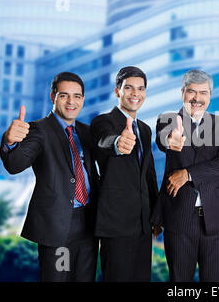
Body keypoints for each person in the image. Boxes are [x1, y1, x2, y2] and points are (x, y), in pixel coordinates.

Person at [0, 72, 99, 282]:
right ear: (53, 97)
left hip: (88, 224)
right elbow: (15, 164)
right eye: (64, 95)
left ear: (83, 99)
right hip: (58, 227)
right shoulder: (39, 130)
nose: (71, 101)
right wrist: (9, 142)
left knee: (84, 278)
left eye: (77, 96)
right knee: (58, 278)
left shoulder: (87, 132)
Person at [152, 69, 219, 282]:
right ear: (182, 92)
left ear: (210, 95)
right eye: (192, 92)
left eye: (203, 92)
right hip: (179, 219)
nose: (197, 98)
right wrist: (171, 140)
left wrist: (189, 174)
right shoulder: (168, 120)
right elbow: (164, 139)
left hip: (214, 219)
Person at [90, 66, 159, 282]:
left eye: (140, 89)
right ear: (117, 91)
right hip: (116, 224)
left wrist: (156, 215)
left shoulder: (146, 130)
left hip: (143, 224)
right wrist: (119, 143)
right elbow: (104, 141)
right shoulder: (103, 121)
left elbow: (149, 175)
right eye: (128, 88)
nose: (135, 94)